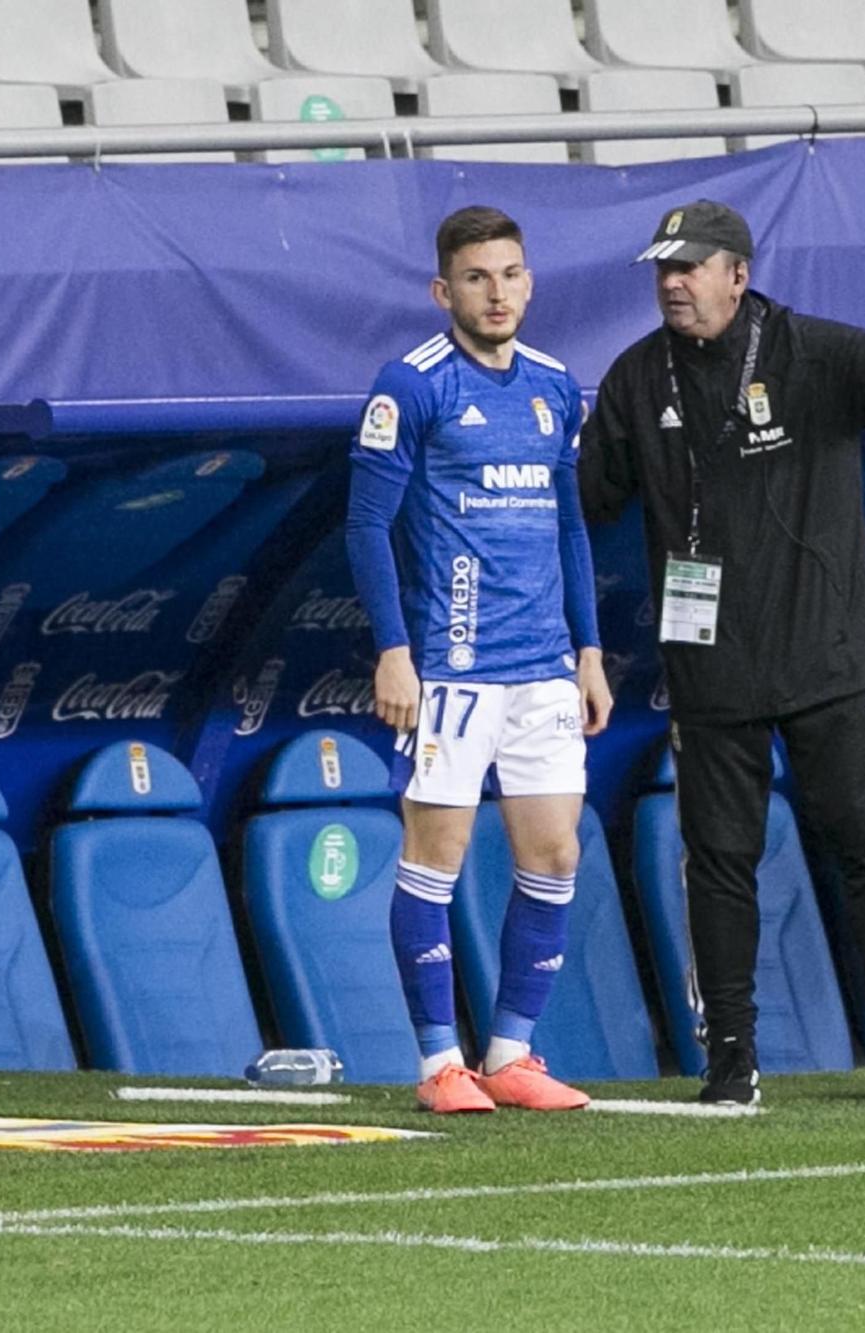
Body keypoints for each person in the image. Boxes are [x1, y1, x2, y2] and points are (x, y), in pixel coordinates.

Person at [579, 199, 865, 1106]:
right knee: (719, 860)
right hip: (712, 666)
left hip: (827, 654)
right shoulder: (637, 378)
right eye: (663, 270)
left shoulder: (806, 351)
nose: (673, 284)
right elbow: (587, 499)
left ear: (738, 273)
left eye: (690, 268)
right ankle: (730, 1058)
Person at [346, 205, 613, 1115]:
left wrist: (589, 649)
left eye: (510, 275)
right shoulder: (410, 384)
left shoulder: (554, 386)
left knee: (553, 852)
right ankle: (437, 1063)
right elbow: (367, 524)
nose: (496, 293)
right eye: (476, 277)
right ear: (442, 290)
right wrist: (394, 650)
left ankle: (511, 1051)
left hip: (544, 667)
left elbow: (571, 525)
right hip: (452, 665)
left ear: (529, 282)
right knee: (439, 852)